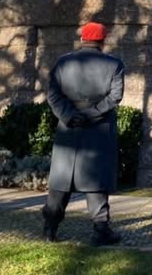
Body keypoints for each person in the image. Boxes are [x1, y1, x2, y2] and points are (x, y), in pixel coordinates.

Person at [42, 22, 125, 246]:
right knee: (96, 179)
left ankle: (50, 228)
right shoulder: (114, 64)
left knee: (61, 179)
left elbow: (53, 95)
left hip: (68, 126)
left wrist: (69, 115)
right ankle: (100, 230)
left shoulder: (63, 62)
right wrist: (91, 113)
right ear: (103, 40)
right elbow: (115, 97)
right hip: (99, 127)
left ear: (82, 39)